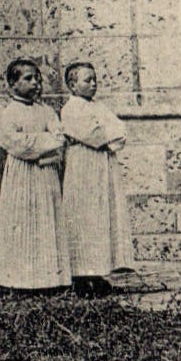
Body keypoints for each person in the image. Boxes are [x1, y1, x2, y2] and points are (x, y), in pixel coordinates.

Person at [0, 60, 71, 291]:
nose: (35, 83)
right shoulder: (8, 113)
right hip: (21, 174)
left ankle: (50, 279)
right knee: (20, 221)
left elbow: (60, 137)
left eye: (37, 78)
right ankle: (16, 280)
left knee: (47, 218)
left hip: (46, 174)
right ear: (12, 84)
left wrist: (39, 144)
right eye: (27, 78)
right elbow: (16, 145)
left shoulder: (46, 111)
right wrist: (43, 143)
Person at [60, 63, 134, 291]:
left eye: (94, 79)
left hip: (103, 164)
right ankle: (82, 274)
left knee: (102, 215)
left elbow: (120, 130)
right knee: (85, 215)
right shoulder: (71, 109)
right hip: (83, 164)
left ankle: (99, 270)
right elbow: (92, 134)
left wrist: (108, 136)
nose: (93, 84)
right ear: (72, 85)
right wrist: (106, 136)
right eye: (87, 80)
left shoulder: (98, 107)